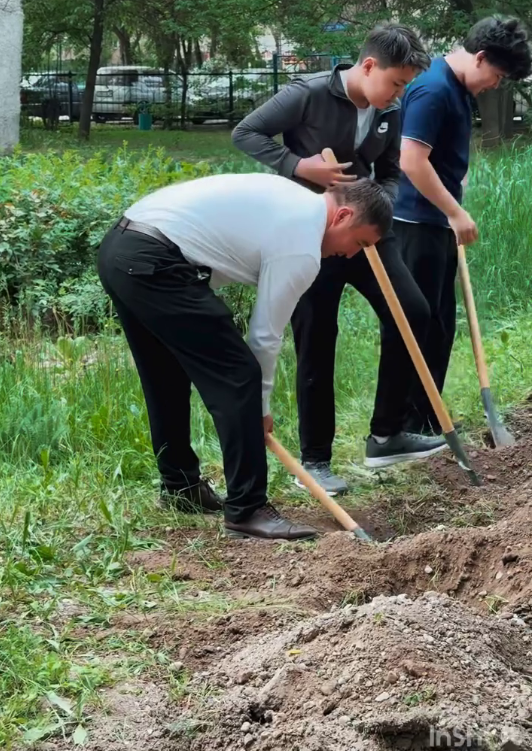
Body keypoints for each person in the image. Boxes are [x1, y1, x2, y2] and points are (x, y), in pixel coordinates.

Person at [97, 172, 392, 540]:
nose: (349, 254)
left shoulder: (293, 200)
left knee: (166, 375)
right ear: (344, 216)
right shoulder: (302, 242)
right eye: (359, 242)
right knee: (240, 375)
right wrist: (260, 408)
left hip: (120, 249)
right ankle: (247, 509)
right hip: (156, 261)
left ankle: (181, 487)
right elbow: (265, 337)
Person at [232, 23, 445, 486]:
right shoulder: (307, 94)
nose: (398, 93)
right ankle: (315, 459)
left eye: (405, 86)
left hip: (366, 230)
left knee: (412, 311)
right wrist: (298, 165)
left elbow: (389, 171)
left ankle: (386, 436)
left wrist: (378, 203)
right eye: (396, 82)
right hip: (314, 230)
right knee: (316, 335)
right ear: (369, 65)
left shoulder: (389, 111)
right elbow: (246, 132)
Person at [396, 16, 531, 435]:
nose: (495, 84)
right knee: (421, 327)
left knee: (440, 326)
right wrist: (454, 211)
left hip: (436, 223)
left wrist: (458, 192)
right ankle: (405, 425)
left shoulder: (455, 90)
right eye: (497, 75)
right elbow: (411, 160)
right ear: (480, 57)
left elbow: (442, 155)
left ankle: (428, 420)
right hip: (416, 224)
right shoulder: (433, 89)